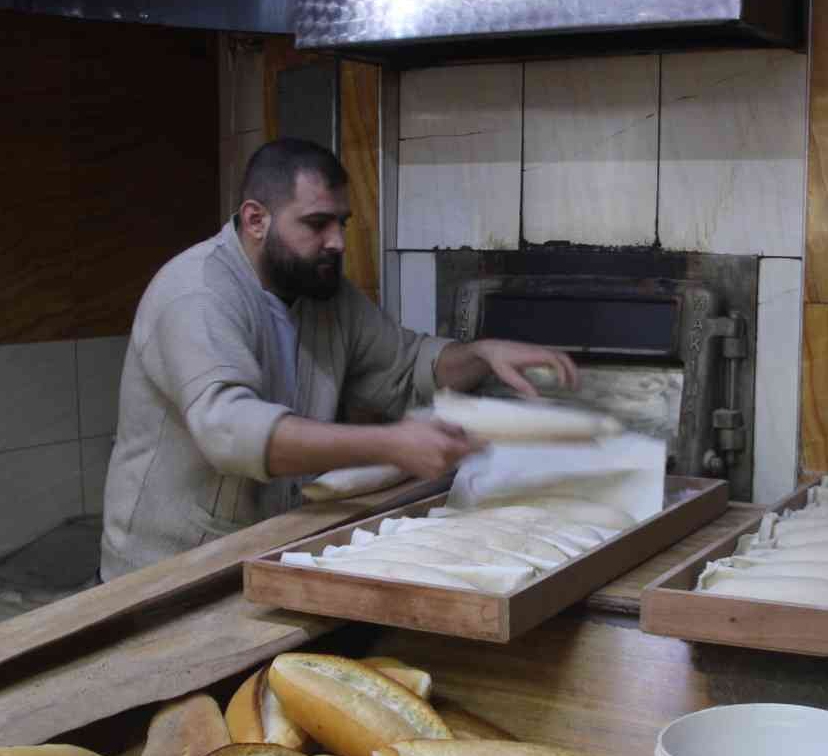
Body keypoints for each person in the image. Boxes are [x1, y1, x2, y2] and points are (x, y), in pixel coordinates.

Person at [100, 138, 574, 581]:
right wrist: (389, 443)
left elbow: (409, 365)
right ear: (255, 220)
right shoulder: (197, 293)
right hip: (169, 575)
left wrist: (484, 354)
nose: (338, 242)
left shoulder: (325, 298)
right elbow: (228, 429)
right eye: (316, 223)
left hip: (270, 553)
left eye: (341, 223)